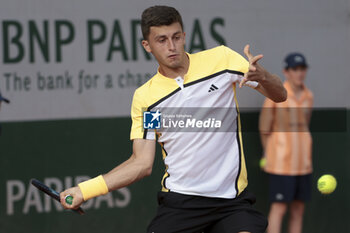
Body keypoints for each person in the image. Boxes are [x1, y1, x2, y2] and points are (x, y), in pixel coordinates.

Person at [60, 5, 286, 233]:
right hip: (181, 204)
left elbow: (280, 95)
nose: (171, 46)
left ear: (184, 36)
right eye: (161, 40)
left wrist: (264, 77)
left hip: (232, 202)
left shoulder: (223, 60)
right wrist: (85, 190)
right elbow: (142, 163)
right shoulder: (147, 98)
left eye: (176, 37)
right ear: (147, 46)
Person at [259, 53, 313, 233]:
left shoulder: (308, 96)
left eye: (302, 69)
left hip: (303, 164)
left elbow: (306, 123)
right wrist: (270, 154)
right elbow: (264, 128)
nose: (299, 73)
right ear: (286, 72)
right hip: (281, 164)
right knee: (279, 208)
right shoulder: (276, 94)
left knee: (298, 210)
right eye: (295, 69)